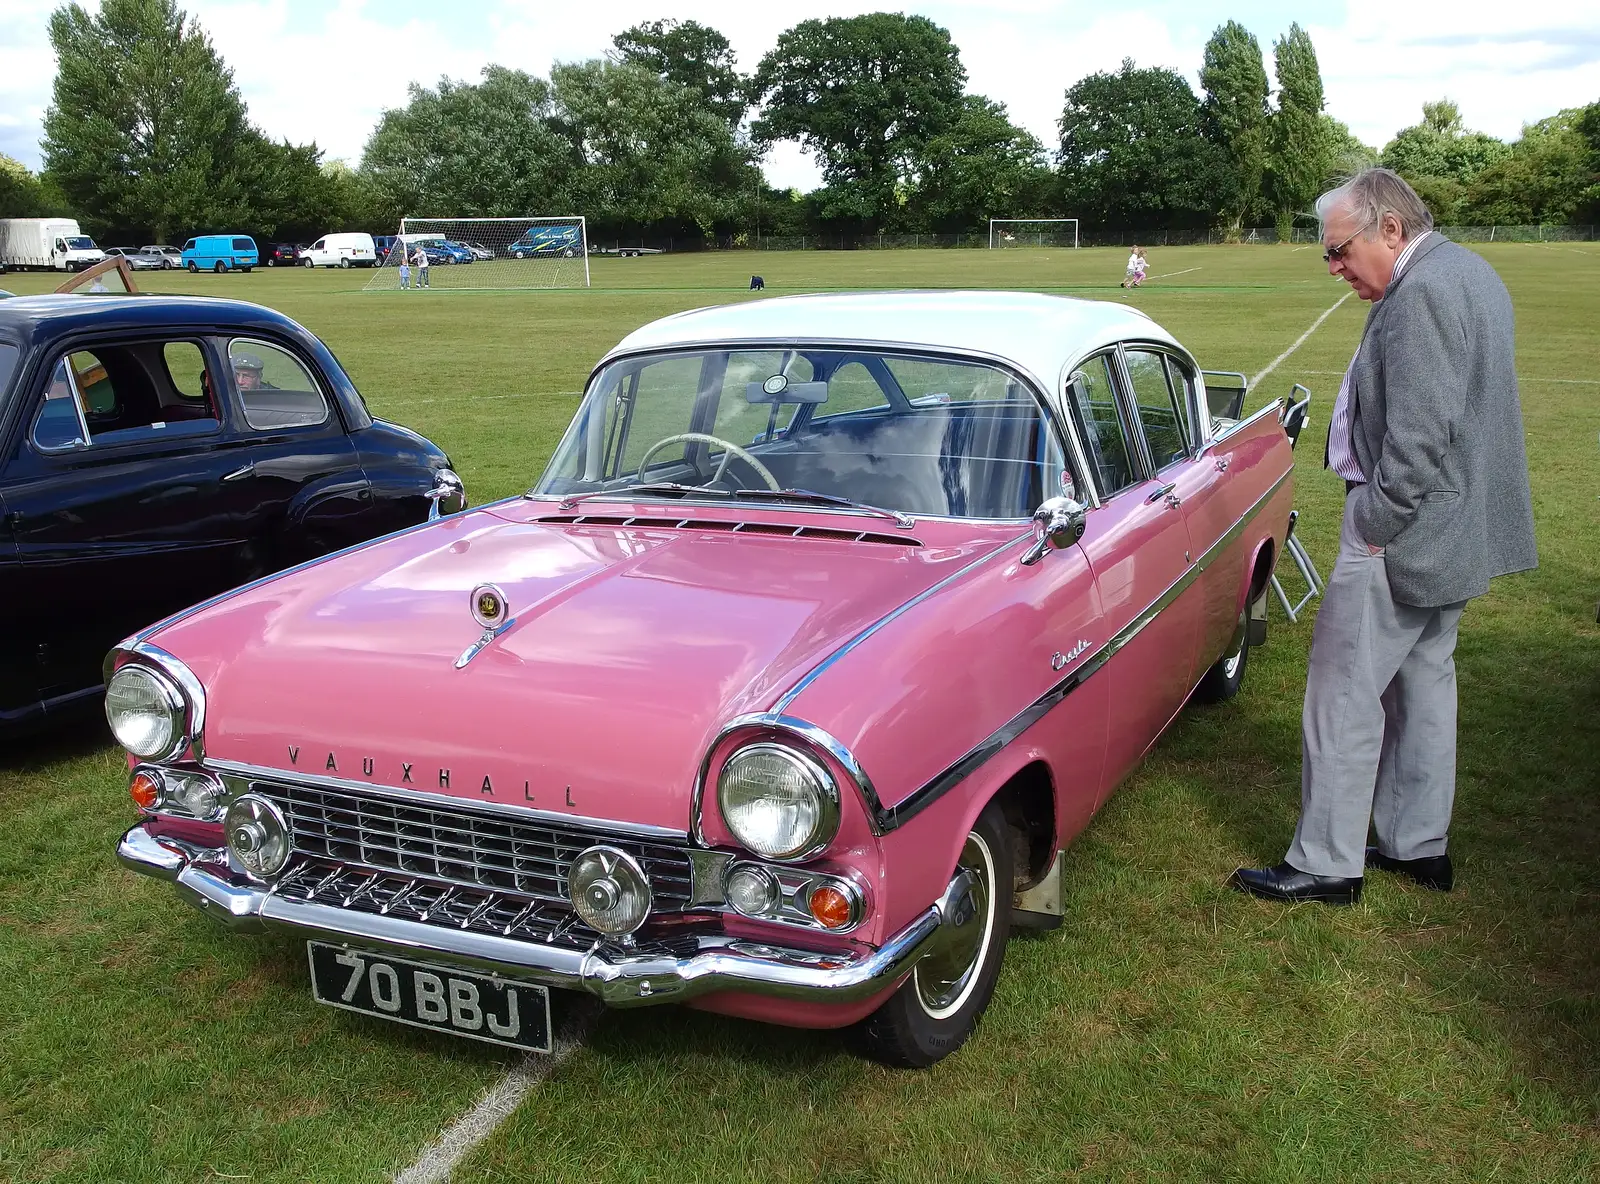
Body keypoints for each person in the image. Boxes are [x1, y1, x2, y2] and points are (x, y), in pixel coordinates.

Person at [1230, 168, 1537, 905]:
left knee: (1342, 693)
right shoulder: (1469, 269)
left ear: (1390, 230)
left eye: (1339, 252)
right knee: (1426, 685)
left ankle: (1327, 860)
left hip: (1406, 537)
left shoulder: (1422, 293)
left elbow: (1420, 440)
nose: (1336, 269)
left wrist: (1374, 524)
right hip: (1455, 533)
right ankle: (1415, 843)